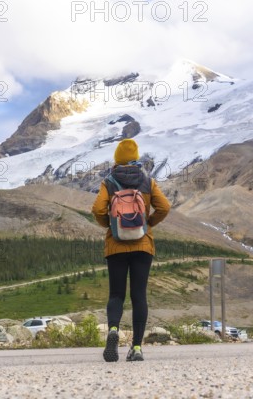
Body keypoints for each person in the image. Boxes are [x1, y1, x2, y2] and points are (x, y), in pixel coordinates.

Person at [91, 138, 171, 362]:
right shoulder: (148, 181)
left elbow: (97, 208)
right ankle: (136, 348)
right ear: (136, 158)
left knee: (116, 294)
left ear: (117, 159)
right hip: (142, 244)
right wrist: (148, 223)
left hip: (116, 244)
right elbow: (165, 207)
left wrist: (109, 224)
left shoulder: (109, 181)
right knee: (139, 296)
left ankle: (114, 331)